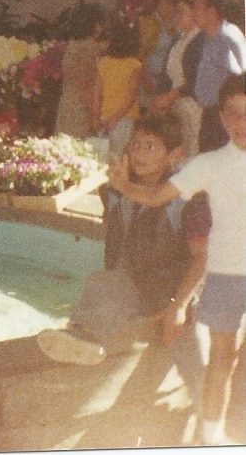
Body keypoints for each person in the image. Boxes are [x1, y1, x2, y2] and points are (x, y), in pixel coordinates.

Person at [108, 73, 246, 446]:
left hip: (207, 286)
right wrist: (121, 186)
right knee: (221, 361)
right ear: (221, 117)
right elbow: (152, 203)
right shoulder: (208, 166)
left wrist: (177, 305)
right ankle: (213, 437)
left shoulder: (197, 184)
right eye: (233, 113)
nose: (241, 123)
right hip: (211, 281)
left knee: (219, 367)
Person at [36, 113, 207, 401]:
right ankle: (83, 336)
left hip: (183, 297)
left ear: (174, 155)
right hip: (139, 290)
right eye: (135, 144)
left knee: (199, 375)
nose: (139, 154)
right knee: (102, 283)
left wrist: (177, 307)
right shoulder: (117, 192)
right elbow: (120, 251)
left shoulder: (188, 198)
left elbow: (202, 258)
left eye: (151, 146)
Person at [185, 0, 246, 153]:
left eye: (197, 8)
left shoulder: (228, 38)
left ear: (212, 11)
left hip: (227, 117)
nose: (193, 13)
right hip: (210, 115)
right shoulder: (206, 39)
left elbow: (241, 76)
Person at [147, 0, 205, 160]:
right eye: (176, 12)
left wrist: (171, 96)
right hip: (176, 106)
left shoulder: (201, 39)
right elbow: (167, 74)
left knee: (193, 153)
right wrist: (158, 97)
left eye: (181, 12)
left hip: (194, 107)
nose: (176, 16)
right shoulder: (179, 39)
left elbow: (197, 79)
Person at [54, 4, 106, 139]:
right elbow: (85, 85)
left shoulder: (73, 45)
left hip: (68, 104)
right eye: (98, 23)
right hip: (80, 110)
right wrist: (96, 115)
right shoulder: (87, 48)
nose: (101, 27)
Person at [94, 21, 143, 156]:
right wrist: (116, 117)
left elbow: (97, 95)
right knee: (124, 157)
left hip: (105, 117)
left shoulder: (103, 63)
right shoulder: (134, 64)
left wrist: (95, 118)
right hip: (126, 118)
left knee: (106, 158)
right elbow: (132, 95)